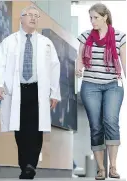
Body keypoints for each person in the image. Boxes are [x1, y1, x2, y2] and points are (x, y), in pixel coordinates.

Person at [0, 5, 61, 179]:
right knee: (20, 129)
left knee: (36, 128)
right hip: (17, 90)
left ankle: (31, 164)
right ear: (21, 18)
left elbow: (55, 67)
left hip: (38, 89)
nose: (33, 18)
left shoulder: (46, 43)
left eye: (36, 16)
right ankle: (25, 165)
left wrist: (54, 93)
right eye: (29, 15)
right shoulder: (9, 41)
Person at [75, 3, 126, 180]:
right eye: (90, 18)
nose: (92, 21)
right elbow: (79, 57)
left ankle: (113, 166)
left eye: (95, 17)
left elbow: (125, 62)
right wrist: (79, 67)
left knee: (111, 121)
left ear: (105, 17)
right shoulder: (85, 36)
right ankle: (101, 169)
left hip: (113, 85)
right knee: (96, 126)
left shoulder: (119, 36)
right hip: (90, 85)